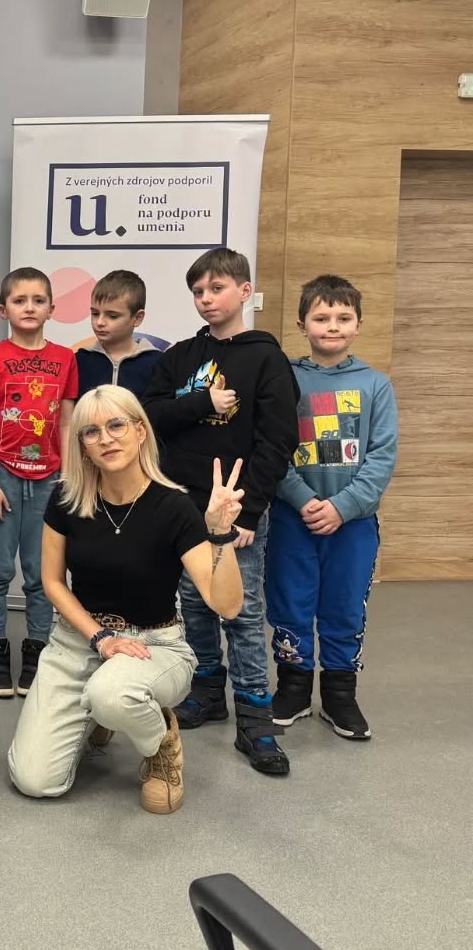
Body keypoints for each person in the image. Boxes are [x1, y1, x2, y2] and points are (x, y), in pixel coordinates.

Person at [7, 385, 244, 814]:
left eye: (116, 425)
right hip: (80, 640)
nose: (106, 438)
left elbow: (225, 605)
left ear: (140, 431)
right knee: (35, 780)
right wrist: (100, 639)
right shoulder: (67, 498)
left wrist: (220, 532)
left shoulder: (175, 507)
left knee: (112, 695)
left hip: (154, 644)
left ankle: (161, 742)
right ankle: (102, 713)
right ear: (82, 444)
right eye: (91, 431)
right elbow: (52, 582)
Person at [143, 247, 299, 776]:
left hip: (236, 511)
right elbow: (151, 415)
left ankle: (255, 717)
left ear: (244, 291)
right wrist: (203, 404)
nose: (206, 299)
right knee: (193, 602)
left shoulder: (266, 359)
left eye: (217, 288)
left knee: (242, 610)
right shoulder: (182, 356)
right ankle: (207, 692)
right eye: (198, 291)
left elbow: (278, 441)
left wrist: (249, 513)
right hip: (183, 506)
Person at [266, 274, 398, 740]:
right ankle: (294, 687)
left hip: (353, 523)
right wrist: (303, 499)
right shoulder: (283, 379)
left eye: (344, 317)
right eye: (322, 317)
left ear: (359, 324)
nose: (333, 326)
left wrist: (343, 507)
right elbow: (272, 447)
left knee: (344, 606)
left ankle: (341, 693)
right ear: (302, 324)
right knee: (291, 602)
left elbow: (382, 455)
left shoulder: (376, 385)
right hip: (293, 519)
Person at [0, 267, 78, 699]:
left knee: (41, 573)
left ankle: (38, 651)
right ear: (3, 310)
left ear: (52, 308)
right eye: (20, 300)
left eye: (38, 300)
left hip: (50, 478)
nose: (29, 307)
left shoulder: (65, 359)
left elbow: (67, 422)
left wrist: (68, 476)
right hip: (3, 477)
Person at [75, 270, 161, 398]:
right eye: (95, 314)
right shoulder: (79, 360)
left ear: (137, 318)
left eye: (112, 316)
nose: (99, 322)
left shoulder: (158, 363)